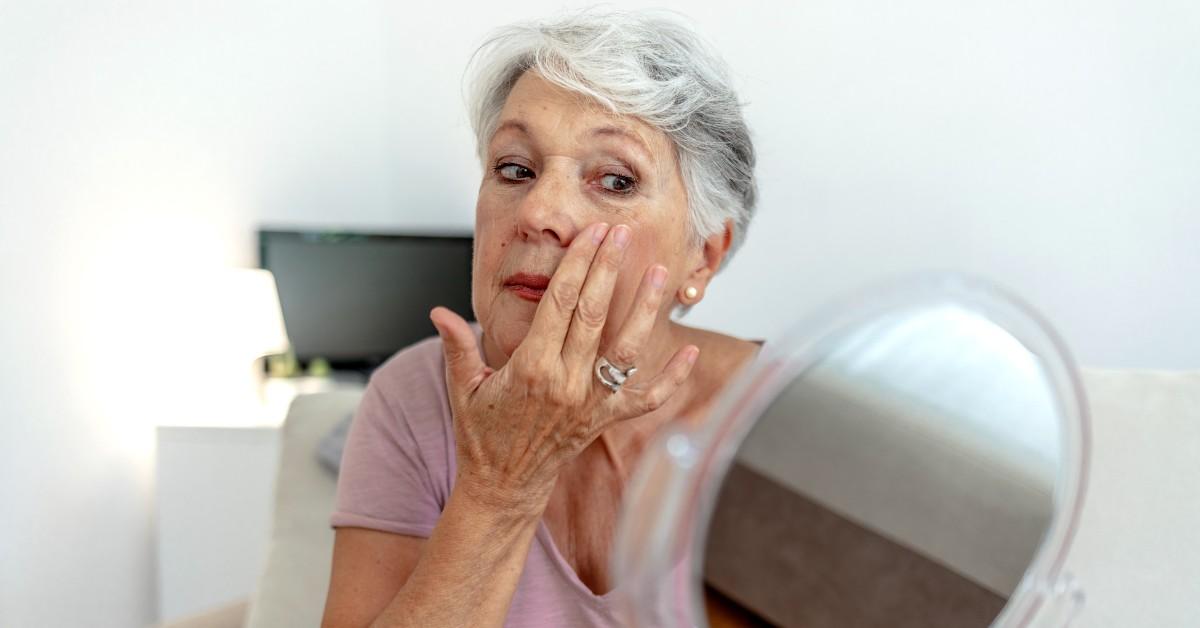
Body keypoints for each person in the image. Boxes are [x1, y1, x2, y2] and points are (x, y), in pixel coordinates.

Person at [322, 8, 761, 627]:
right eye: (515, 169)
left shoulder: (792, 420)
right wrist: (501, 484)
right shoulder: (412, 397)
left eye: (613, 179)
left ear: (703, 255)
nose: (538, 210)